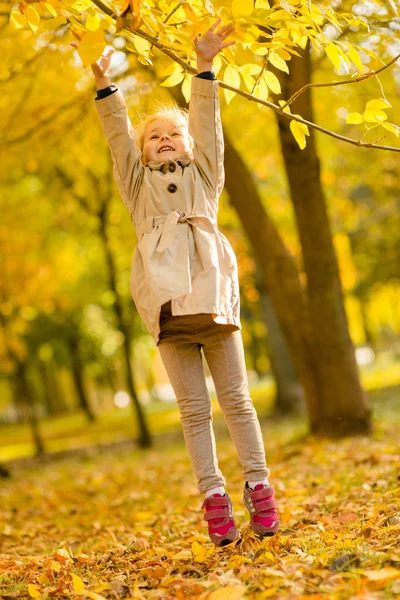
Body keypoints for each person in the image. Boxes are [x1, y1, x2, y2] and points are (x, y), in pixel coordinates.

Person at [74, 18, 279, 547]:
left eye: (173, 135)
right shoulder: (137, 188)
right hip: (168, 311)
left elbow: (208, 124)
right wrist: (104, 87)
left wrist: (205, 67)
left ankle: (259, 486)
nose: (164, 141)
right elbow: (117, 136)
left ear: (188, 147)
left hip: (212, 301)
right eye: (155, 137)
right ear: (143, 155)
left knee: (236, 400)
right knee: (192, 410)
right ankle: (213, 498)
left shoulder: (204, 176)